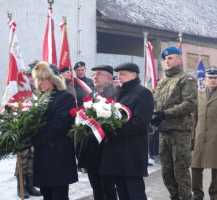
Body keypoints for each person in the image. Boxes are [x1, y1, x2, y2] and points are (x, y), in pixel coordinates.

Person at [100, 62, 154, 200]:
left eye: (123, 74)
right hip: (116, 153)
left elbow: (140, 123)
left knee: (135, 193)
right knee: (122, 193)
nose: (119, 77)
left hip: (132, 153)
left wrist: (113, 131)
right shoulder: (118, 92)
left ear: (134, 75)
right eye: (118, 75)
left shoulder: (143, 93)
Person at [152, 46, 197, 200]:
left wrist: (165, 114)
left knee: (181, 170)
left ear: (179, 59)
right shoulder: (162, 81)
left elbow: (189, 104)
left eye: (170, 58)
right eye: (165, 59)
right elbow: (156, 103)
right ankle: (174, 197)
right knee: (167, 172)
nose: (167, 61)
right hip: (164, 132)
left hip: (180, 132)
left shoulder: (186, 79)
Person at [32, 61, 78, 200]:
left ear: (53, 79)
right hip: (43, 156)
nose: (40, 83)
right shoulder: (41, 99)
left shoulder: (65, 97)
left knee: (59, 195)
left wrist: (35, 137)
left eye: (43, 78)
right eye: (38, 79)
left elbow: (59, 124)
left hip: (59, 156)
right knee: (47, 194)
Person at [191, 66, 217, 200]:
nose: (213, 80)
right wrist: (192, 137)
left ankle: (214, 195)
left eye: (215, 78)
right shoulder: (199, 94)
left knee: (216, 169)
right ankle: (197, 194)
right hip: (199, 137)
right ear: (205, 79)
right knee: (196, 167)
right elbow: (194, 118)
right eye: (210, 78)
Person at [79, 65, 117, 200]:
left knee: (108, 186)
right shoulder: (89, 96)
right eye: (94, 74)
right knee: (95, 186)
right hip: (91, 149)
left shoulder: (115, 95)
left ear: (109, 78)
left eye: (99, 74)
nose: (95, 76)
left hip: (107, 149)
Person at [13, 61, 42, 199]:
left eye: (33, 77)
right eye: (29, 77)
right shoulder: (20, 91)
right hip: (23, 131)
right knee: (22, 160)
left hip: (34, 131)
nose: (31, 79)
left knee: (32, 159)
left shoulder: (36, 90)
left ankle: (30, 185)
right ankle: (21, 187)